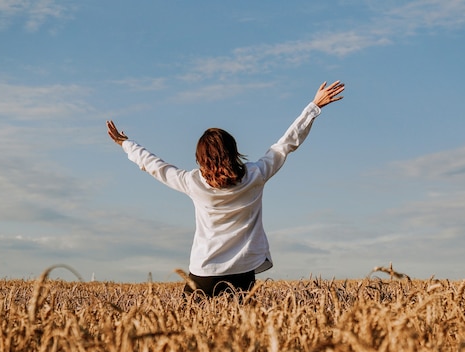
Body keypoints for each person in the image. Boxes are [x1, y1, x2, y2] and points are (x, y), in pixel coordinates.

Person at [107, 80, 345, 297]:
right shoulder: (256, 175)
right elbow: (286, 143)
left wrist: (126, 143)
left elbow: (155, 166)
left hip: (204, 272)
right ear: (233, 151)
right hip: (243, 272)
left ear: (200, 157)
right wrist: (314, 106)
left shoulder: (193, 182)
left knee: (189, 336)